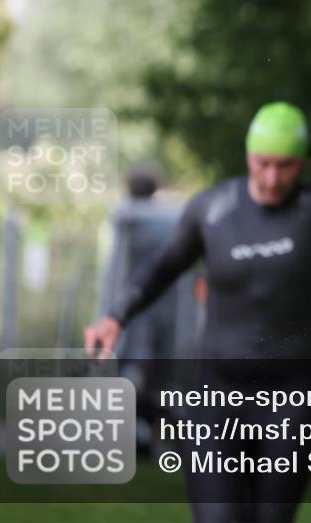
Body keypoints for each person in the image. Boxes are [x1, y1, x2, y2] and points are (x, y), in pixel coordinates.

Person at [85, 101, 311, 523]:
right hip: (216, 399)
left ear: (301, 162)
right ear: (247, 155)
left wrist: (290, 135)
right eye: (263, 161)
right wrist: (116, 315)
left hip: (290, 399)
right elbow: (162, 267)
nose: (273, 178)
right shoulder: (212, 209)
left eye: (286, 164)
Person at [97, 164, 198, 455]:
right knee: (150, 383)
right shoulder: (167, 219)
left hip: (137, 316)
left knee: (134, 378)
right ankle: (153, 437)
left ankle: (150, 437)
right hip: (167, 317)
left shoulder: (128, 219)